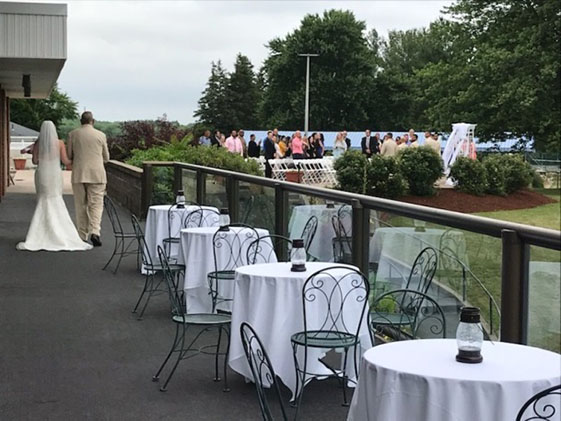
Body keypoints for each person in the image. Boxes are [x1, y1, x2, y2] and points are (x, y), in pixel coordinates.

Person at [16, 121, 93, 251]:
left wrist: (35, 153)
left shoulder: (37, 144)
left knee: (43, 200)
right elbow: (66, 161)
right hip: (55, 174)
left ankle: (40, 232)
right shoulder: (59, 143)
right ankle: (61, 231)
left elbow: (35, 161)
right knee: (56, 199)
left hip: (42, 173)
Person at [66, 111, 110, 246]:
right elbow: (106, 157)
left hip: (79, 173)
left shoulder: (73, 134)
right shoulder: (101, 135)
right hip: (97, 174)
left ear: (81, 121)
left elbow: (69, 155)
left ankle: (82, 234)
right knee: (96, 205)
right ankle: (95, 231)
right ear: (93, 121)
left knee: (81, 205)